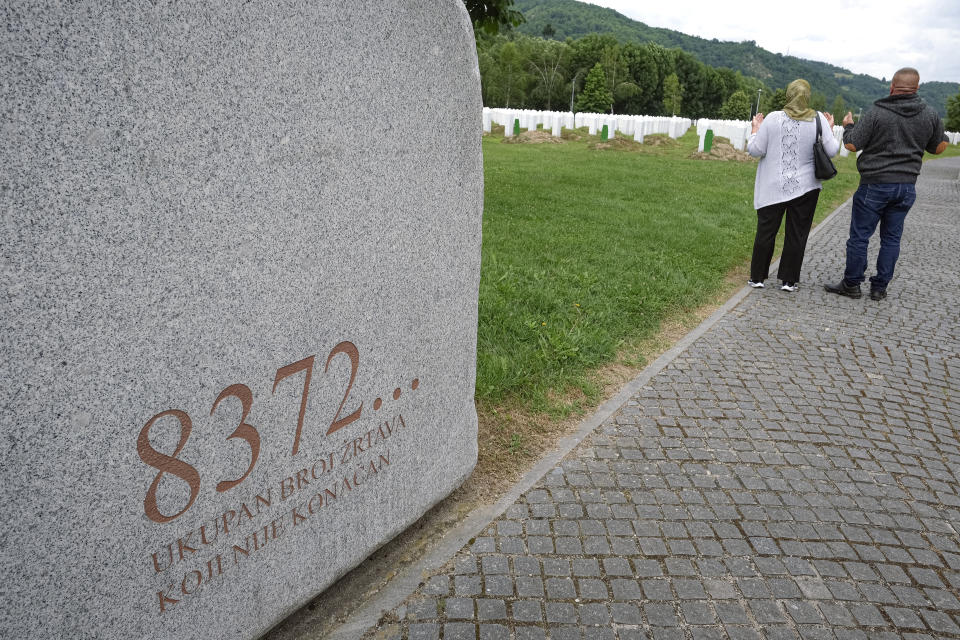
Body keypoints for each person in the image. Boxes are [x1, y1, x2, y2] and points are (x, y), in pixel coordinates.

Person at [825, 67, 949, 301]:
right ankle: (879, 287)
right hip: (906, 186)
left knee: (860, 236)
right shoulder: (930, 114)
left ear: (892, 86)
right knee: (891, 238)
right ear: (917, 88)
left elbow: (852, 145)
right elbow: (938, 147)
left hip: (875, 183)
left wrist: (849, 126)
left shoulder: (877, 112)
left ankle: (851, 284)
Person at [746, 79, 839, 292]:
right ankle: (789, 281)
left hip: (773, 186)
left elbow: (756, 150)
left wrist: (754, 130)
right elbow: (832, 150)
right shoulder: (818, 119)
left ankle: (758, 277)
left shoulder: (772, 118)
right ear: (807, 96)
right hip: (806, 187)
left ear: (789, 95)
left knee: (766, 232)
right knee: (797, 233)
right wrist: (830, 129)